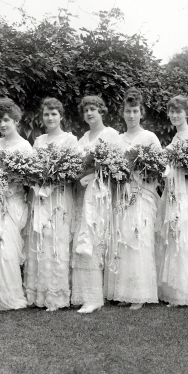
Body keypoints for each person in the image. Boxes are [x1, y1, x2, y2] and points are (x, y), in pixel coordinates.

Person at [105, 88, 160, 310]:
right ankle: (124, 291)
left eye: (135, 111)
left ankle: (140, 294)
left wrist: (141, 176)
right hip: (122, 195)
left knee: (140, 240)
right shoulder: (117, 140)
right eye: (128, 111)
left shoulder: (149, 138)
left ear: (141, 113)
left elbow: (158, 169)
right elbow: (111, 169)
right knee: (123, 240)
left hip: (142, 194)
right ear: (123, 113)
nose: (131, 115)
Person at [24, 97, 78, 311]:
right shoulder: (38, 141)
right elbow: (33, 168)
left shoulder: (70, 140)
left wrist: (56, 180)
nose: (50, 118)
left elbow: (74, 170)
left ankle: (56, 295)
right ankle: (39, 293)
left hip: (60, 197)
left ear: (61, 116)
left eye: (54, 114)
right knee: (41, 239)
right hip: (41, 196)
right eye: (46, 114)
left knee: (57, 240)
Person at [72, 95, 122, 314]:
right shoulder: (82, 139)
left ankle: (96, 297)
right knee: (84, 239)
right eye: (86, 111)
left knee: (95, 239)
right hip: (84, 195)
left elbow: (120, 167)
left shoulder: (112, 135)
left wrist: (96, 174)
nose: (89, 114)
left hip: (101, 195)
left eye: (93, 109)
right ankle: (88, 295)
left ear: (102, 111)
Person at [158, 95, 188, 307]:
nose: (175, 115)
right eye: (172, 111)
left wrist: (183, 167)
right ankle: (176, 292)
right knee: (175, 238)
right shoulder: (175, 139)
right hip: (174, 192)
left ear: (187, 113)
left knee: (186, 238)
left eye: (179, 111)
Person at [0, 97, 31, 311]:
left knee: (7, 248)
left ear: (15, 120)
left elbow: (29, 179)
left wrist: (10, 188)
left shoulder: (24, 146)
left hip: (13, 203)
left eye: (6, 120)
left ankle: (11, 296)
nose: (2, 124)